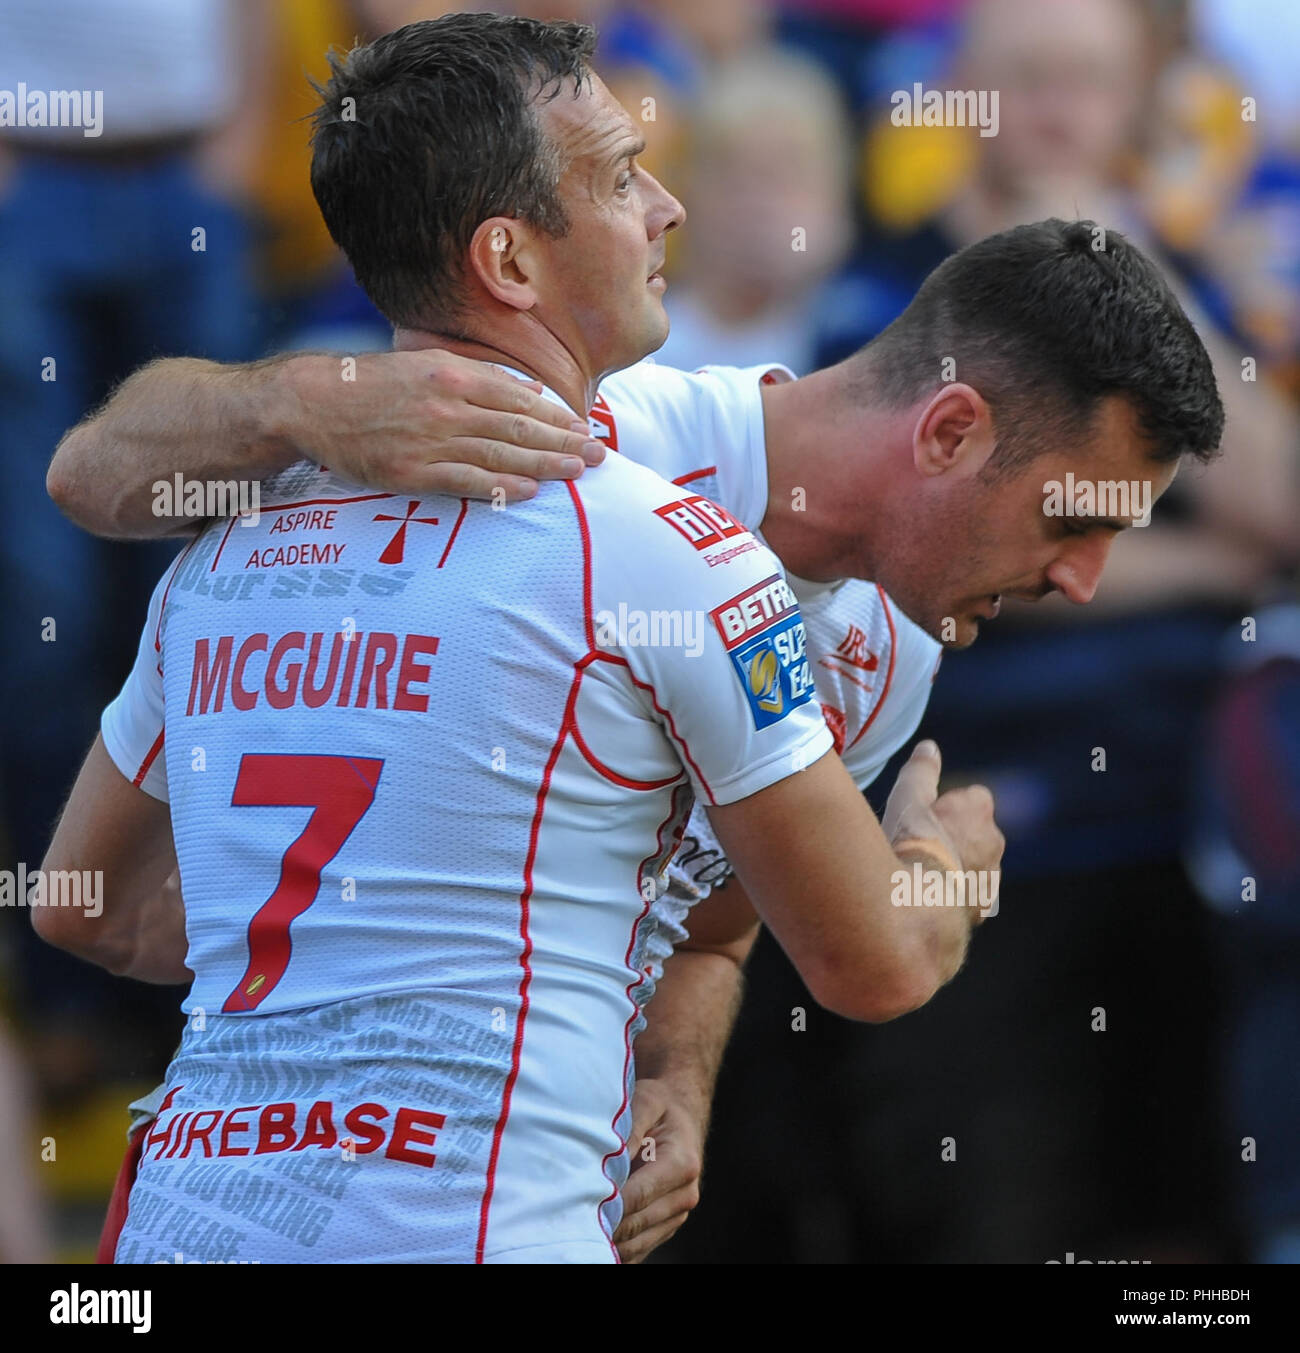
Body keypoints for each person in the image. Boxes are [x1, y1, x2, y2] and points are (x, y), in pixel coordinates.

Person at [34, 13, 1000, 1265]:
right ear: (509, 258)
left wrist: (341, 958)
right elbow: (870, 961)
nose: (667, 207)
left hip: (181, 1233)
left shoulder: (224, 554)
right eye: (617, 176)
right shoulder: (679, 550)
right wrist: (947, 860)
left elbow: (84, 908)